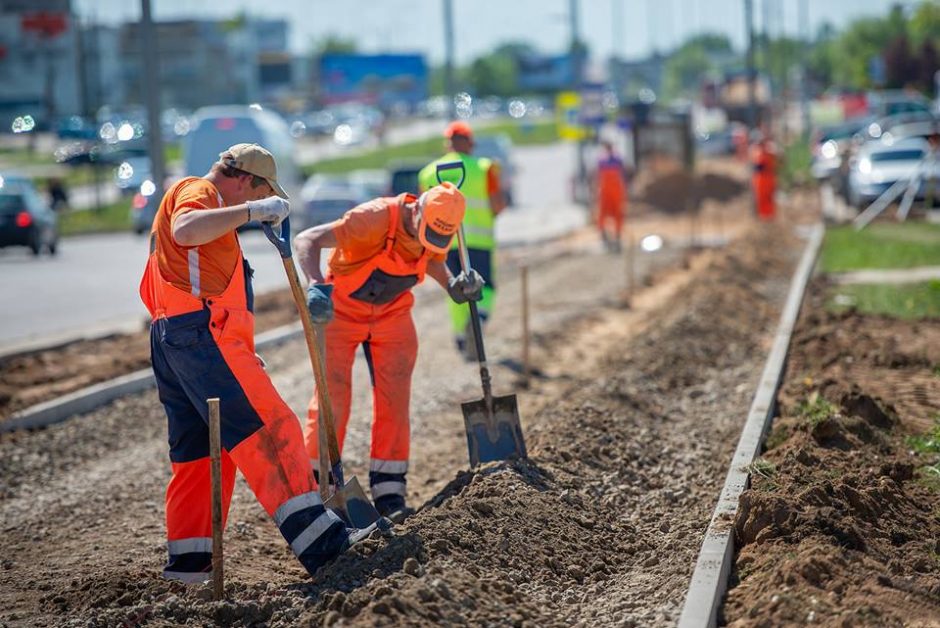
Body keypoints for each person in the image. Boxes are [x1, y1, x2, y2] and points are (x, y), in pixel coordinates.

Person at [139, 143, 365, 583]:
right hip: (201, 337)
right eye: (257, 192)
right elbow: (186, 230)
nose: (251, 203)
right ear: (245, 179)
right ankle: (326, 546)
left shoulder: (206, 206)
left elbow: (194, 270)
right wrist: (254, 211)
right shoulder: (198, 193)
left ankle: (189, 566)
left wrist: (237, 346)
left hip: (179, 341)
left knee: (202, 453)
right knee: (272, 427)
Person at [293, 182, 483, 521]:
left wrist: (454, 286)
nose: (430, 242)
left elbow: (433, 258)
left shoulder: (436, 229)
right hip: (341, 311)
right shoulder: (373, 218)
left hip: (392, 313)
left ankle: (389, 490)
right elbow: (306, 239)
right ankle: (317, 485)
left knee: (395, 397)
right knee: (333, 397)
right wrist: (315, 285)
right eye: (427, 232)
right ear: (417, 211)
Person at [417, 121, 505, 360]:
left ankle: (460, 336)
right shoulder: (485, 168)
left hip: (443, 243)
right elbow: (497, 205)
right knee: (485, 286)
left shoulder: (428, 173)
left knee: (454, 288)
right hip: (478, 241)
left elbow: (421, 212)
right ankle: (479, 318)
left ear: (448, 144)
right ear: (470, 143)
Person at [594, 141, 628, 252]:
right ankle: (604, 235)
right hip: (606, 191)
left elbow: (622, 175)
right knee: (603, 214)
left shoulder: (615, 159)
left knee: (617, 214)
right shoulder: (603, 160)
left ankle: (616, 236)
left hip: (614, 191)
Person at [750, 130, 777, 221]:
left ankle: (768, 217)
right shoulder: (761, 152)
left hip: (766, 179)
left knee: (767, 199)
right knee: (762, 200)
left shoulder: (768, 152)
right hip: (761, 179)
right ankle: (764, 217)